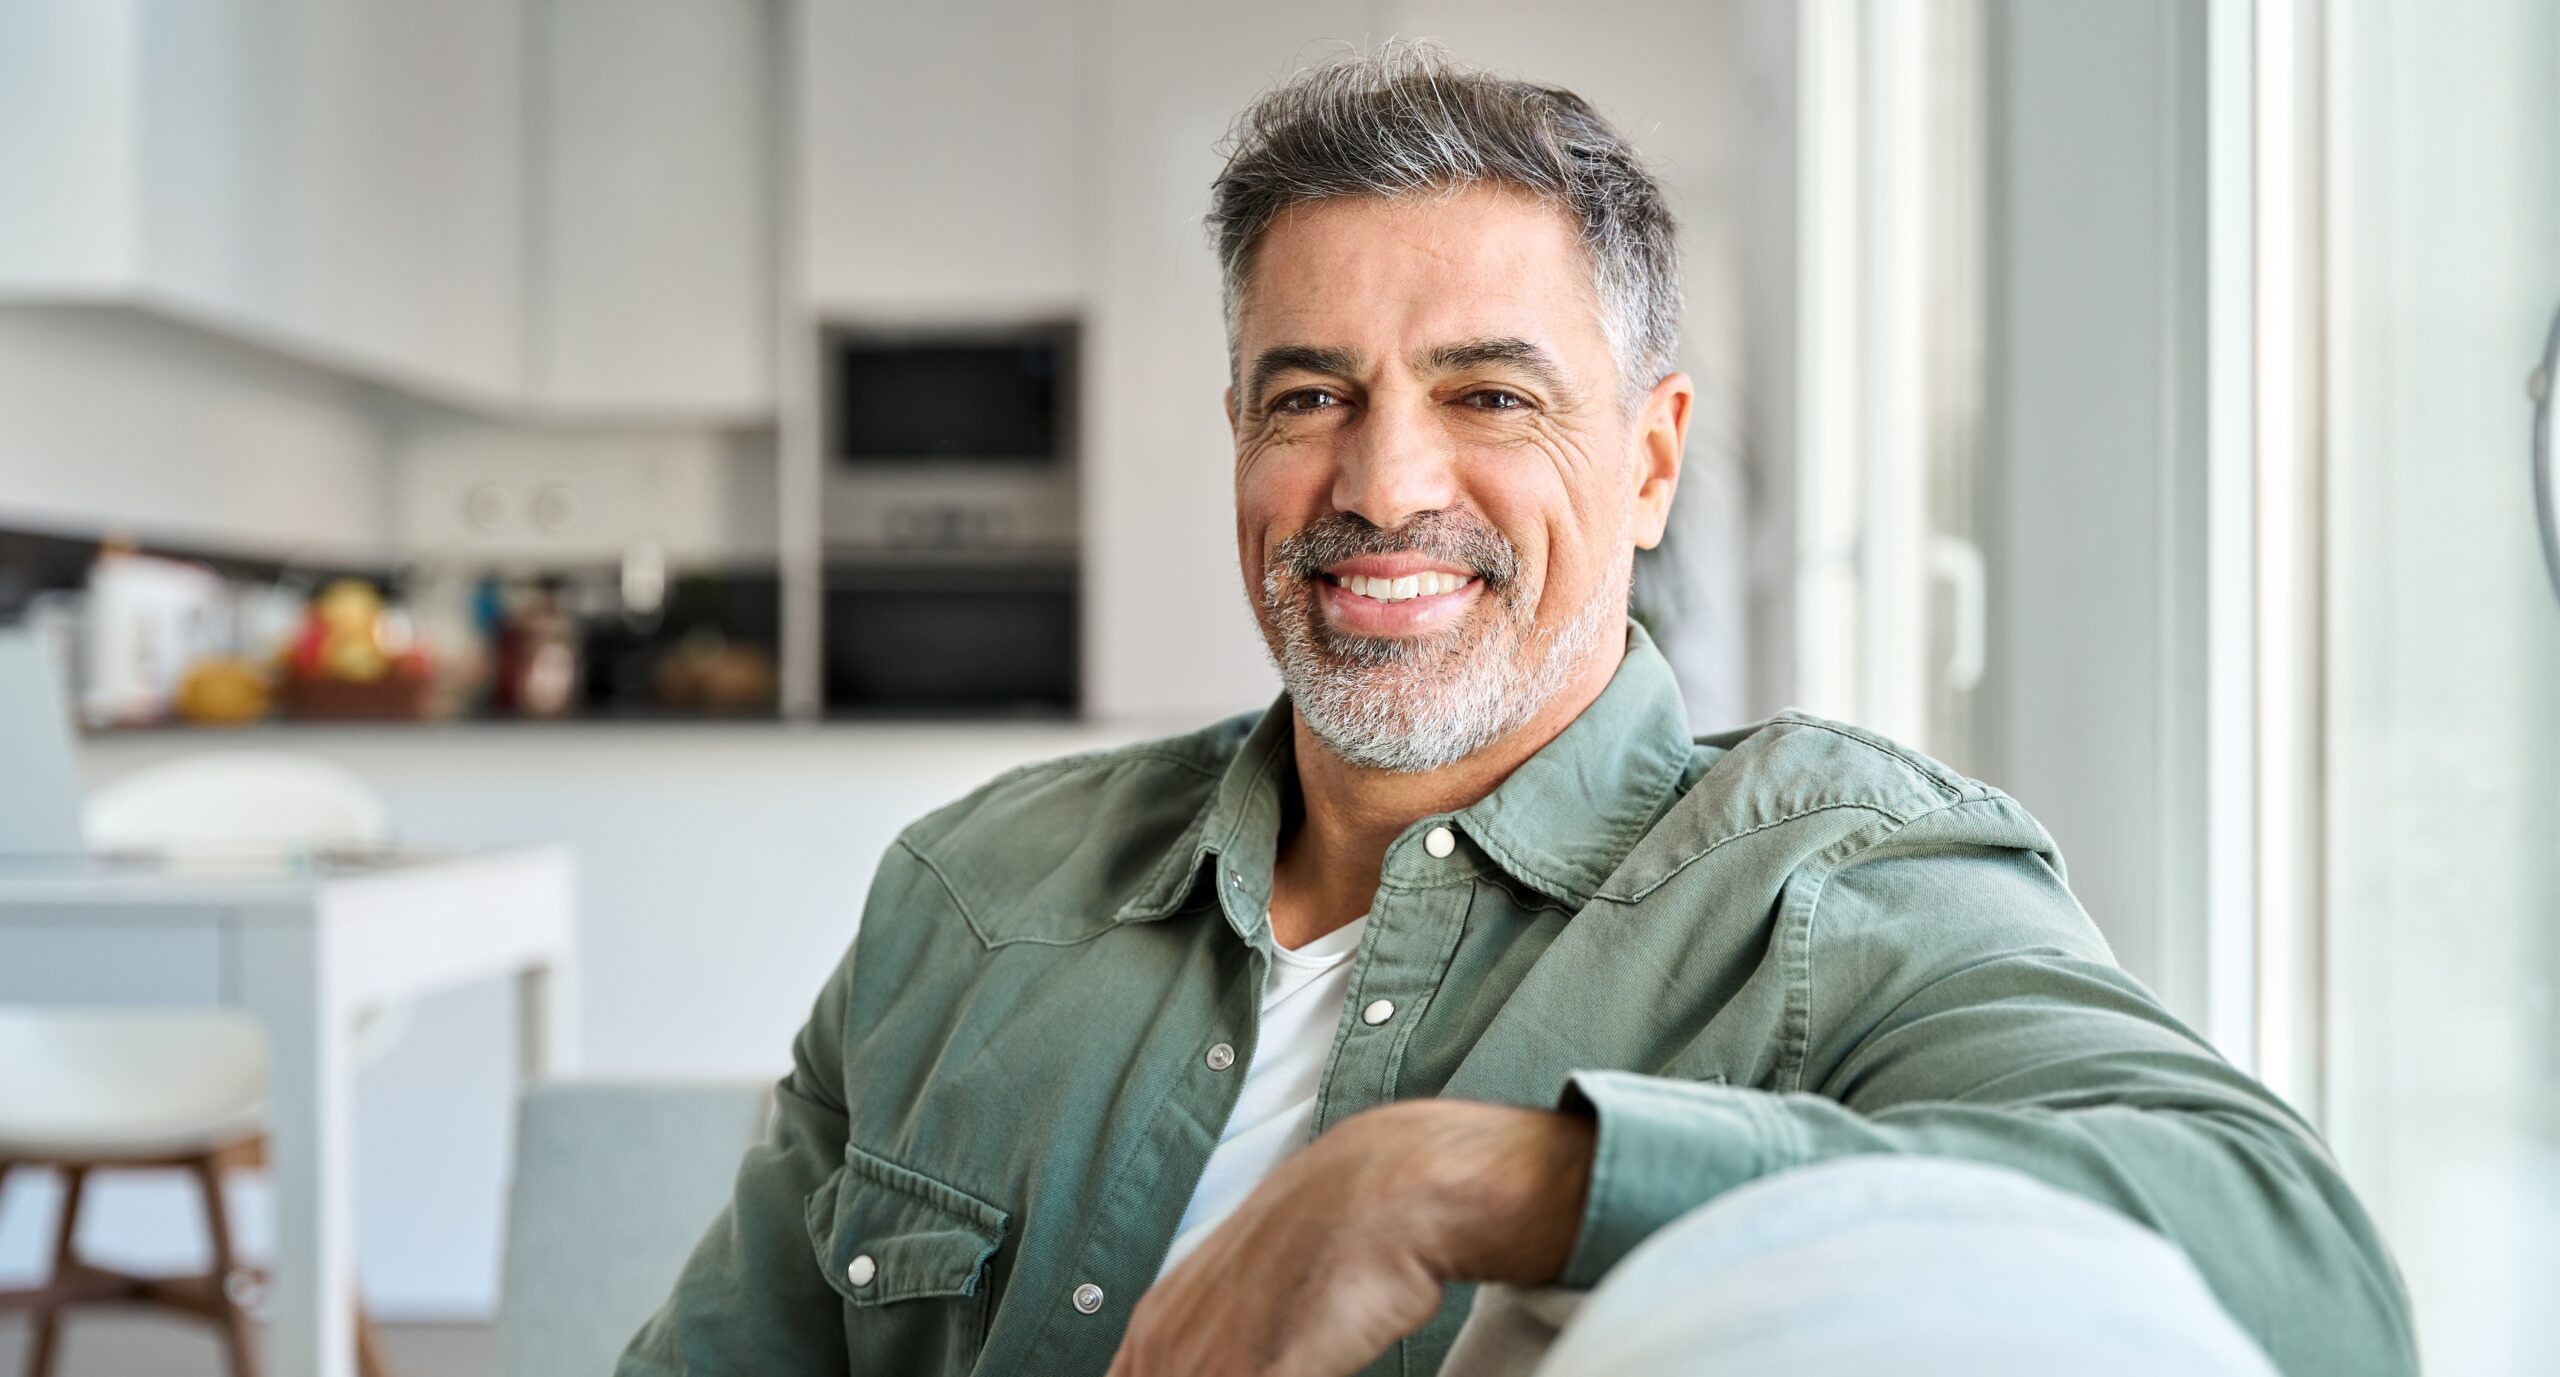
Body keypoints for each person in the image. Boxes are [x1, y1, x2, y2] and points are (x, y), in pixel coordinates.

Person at [618, 44, 2414, 1377]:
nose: (1383, 483)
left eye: (1488, 394)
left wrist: (1476, 1182)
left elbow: (2306, 1283)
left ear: (1648, 459)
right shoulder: (971, 886)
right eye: (1309, 393)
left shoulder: (1836, 882)